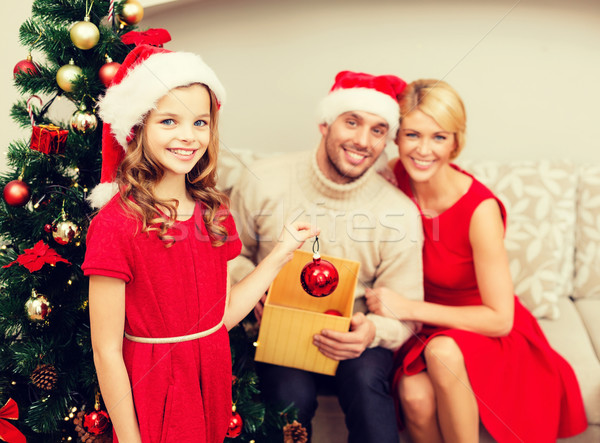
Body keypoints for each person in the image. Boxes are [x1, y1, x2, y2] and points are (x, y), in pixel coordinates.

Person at [81, 44, 317, 443]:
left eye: (200, 123)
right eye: (169, 121)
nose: (188, 137)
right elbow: (106, 351)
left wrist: (281, 252)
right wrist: (129, 438)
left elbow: (221, 318)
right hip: (155, 384)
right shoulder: (116, 224)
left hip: (211, 376)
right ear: (138, 128)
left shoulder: (214, 211)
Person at [365, 78, 588, 443]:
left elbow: (500, 319)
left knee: (442, 352)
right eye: (412, 135)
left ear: (456, 142)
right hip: (422, 325)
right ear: (396, 136)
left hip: (480, 327)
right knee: (414, 396)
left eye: (439, 137)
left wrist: (406, 307)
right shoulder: (394, 178)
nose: (423, 150)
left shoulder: (479, 209)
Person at [229, 71, 424, 442]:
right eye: (352, 122)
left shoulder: (398, 211)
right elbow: (229, 255)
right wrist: (251, 288)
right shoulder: (263, 180)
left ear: (387, 140)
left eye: (378, 130)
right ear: (324, 124)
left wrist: (373, 331)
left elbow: (406, 309)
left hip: (356, 336)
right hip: (278, 329)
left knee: (368, 387)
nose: (363, 141)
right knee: (289, 397)